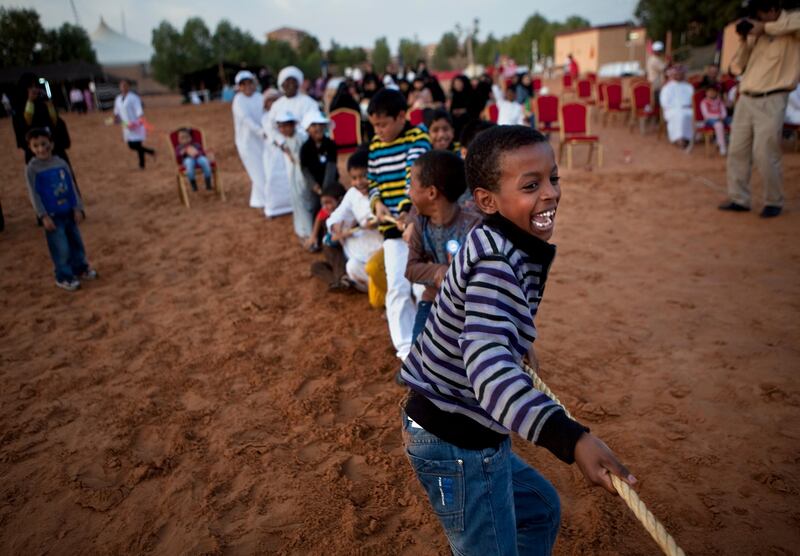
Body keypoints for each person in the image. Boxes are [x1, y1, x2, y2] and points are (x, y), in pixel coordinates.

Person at [399, 125, 636, 554]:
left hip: (456, 423)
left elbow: (475, 313)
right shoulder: (497, 263)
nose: (550, 194)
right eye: (531, 185)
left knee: (541, 510)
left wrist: (517, 342)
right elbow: (489, 372)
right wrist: (574, 439)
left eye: (553, 178)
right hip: (456, 438)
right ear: (488, 201)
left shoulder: (493, 236)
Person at [367, 88, 432, 360]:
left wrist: (408, 212)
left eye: (383, 124)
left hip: (419, 226)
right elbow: (373, 183)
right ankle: (406, 351)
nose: (379, 130)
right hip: (393, 231)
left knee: (423, 286)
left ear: (401, 117)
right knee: (397, 286)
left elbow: (414, 177)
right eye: (374, 125)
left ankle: (430, 344)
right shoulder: (374, 146)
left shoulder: (418, 137)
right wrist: (377, 203)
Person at [719, 0, 800, 218]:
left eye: (761, 15)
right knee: (737, 151)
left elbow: (794, 23)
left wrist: (765, 28)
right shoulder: (757, 35)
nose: (759, 20)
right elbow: (737, 67)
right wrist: (746, 40)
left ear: (774, 10)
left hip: (772, 98)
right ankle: (739, 198)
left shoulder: (792, 23)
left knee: (765, 152)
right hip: (746, 98)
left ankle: (774, 200)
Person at [405, 150, 481, 342]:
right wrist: (438, 271)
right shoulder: (419, 224)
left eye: (412, 185)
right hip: (432, 303)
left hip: (472, 311)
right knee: (416, 366)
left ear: (431, 193)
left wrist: (455, 276)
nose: (408, 192)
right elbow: (411, 269)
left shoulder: (474, 226)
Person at [24, 128, 97, 291]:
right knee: (60, 248)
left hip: (69, 212)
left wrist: (77, 208)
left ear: (51, 143)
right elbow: (33, 194)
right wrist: (43, 216)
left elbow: (71, 186)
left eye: (44, 144)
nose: (41, 149)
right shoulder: (32, 169)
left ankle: (80, 268)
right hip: (53, 216)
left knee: (76, 242)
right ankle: (63, 276)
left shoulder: (61, 163)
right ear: (30, 148)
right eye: (36, 146)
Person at [324, 149, 383, 292]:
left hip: (384, 248)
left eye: (364, 176)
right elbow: (336, 216)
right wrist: (336, 226)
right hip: (362, 249)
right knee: (352, 267)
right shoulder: (352, 194)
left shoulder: (384, 190)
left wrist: (377, 222)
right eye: (354, 178)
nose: (359, 182)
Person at [274, 110, 313, 242]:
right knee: (297, 201)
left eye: (286, 126)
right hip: (295, 172)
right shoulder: (289, 138)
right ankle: (303, 231)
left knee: (305, 202)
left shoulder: (301, 138)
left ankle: (310, 234)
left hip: (304, 173)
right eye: (281, 126)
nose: (283, 129)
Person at [232, 70, 268, 209]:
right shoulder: (238, 100)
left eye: (249, 83)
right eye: (243, 84)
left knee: (264, 169)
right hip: (247, 142)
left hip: (262, 140)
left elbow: (265, 114)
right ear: (239, 86)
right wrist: (261, 132)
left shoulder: (259, 97)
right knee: (256, 171)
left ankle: (257, 200)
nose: (247, 87)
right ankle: (265, 202)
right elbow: (246, 120)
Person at [260, 87, 293, 218]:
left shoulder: (285, 115)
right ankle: (273, 209)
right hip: (271, 152)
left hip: (285, 150)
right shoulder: (264, 118)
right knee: (272, 179)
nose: (272, 103)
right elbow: (269, 133)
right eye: (270, 101)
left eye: (275, 100)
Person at [113, 79, 156, 169]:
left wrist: (141, 121)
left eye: (125, 85)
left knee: (137, 144)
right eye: (121, 85)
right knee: (131, 145)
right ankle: (150, 152)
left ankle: (142, 165)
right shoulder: (118, 99)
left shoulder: (134, 97)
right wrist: (116, 118)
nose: (123, 87)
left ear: (128, 86)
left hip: (136, 124)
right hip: (126, 125)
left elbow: (139, 110)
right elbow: (117, 111)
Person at [300, 111, 338, 199]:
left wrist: (325, 190)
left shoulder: (330, 144)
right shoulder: (305, 148)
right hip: (313, 189)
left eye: (320, 125)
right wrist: (315, 187)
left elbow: (331, 167)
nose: (318, 128)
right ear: (307, 129)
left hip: (331, 186)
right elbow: (305, 169)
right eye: (314, 125)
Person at [659, 66, 694, 148]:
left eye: (681, 74)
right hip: (672, 110)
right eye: (676, 74)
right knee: (680, 115)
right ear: (673, 75)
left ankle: (690, 137)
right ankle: (679, 139)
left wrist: (688, 106)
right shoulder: (667, 87)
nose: (679, 76)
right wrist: (678, 107)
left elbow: (693, 99)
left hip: (688, 108)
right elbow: (664, 102)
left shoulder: (688, 86)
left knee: (692, 114)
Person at [306, 182, 346, 253]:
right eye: (323, 204)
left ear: (340, 200)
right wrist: (313, 236)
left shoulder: (348, 211)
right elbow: (319, 217)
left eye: (328, 202)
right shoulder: (327, 211)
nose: (325, 207)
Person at [700, 87, 731, 156]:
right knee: (718, 125)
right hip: (710, 120)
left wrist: (722, 117)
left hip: (722, 118)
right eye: (709, 92)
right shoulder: (704, 102)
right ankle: (722, 146)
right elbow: (706, 114)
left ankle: (733, 143)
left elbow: (724, 111)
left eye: (713, 92)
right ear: (706, 93)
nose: (712, 93)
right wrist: (717, 117)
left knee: (734, 122)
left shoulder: (719, 101)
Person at [647, 41, 667, 111]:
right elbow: (664, 69)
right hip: (656, 82)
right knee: (658, 101)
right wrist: (668, 62)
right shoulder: (654, 60)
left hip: (656, 81)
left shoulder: (656, 58)